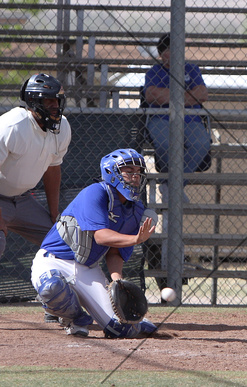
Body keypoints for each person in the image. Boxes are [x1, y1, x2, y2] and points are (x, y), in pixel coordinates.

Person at [30, 148, 158, 338]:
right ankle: (74, 318)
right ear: (112, 173)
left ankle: (138, 323)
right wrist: (136, 239)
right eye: (128, 170)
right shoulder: (96, 192)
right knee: (52, 287)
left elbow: (114, 252)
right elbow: (101, 237)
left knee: (122, 329)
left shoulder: (135, 208)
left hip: (87, 268)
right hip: (53, 260)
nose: (135, 176)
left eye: (138, 171)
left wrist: (117, 282)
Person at [0, 73, 71, 323]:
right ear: (32, 102)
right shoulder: (12, 126)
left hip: (23, 199)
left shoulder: (61, 128)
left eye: (58, 101)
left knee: (62, 243)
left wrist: (54, 214)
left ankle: (56, 304)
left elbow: (53, 170)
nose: (55, 106)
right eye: (49, 101)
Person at [143, 32, 211, 201]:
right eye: (168, 51)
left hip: (190, 119)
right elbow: (152, 95)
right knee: (165, 143)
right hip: (161, 118)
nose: (173, 54)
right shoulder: (154, 72)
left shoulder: (191, 69)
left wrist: (169, 96)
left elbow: (202, 94)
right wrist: (187, 95)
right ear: (160, 54)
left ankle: (171, 185)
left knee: (201, 144)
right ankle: (172, 186)